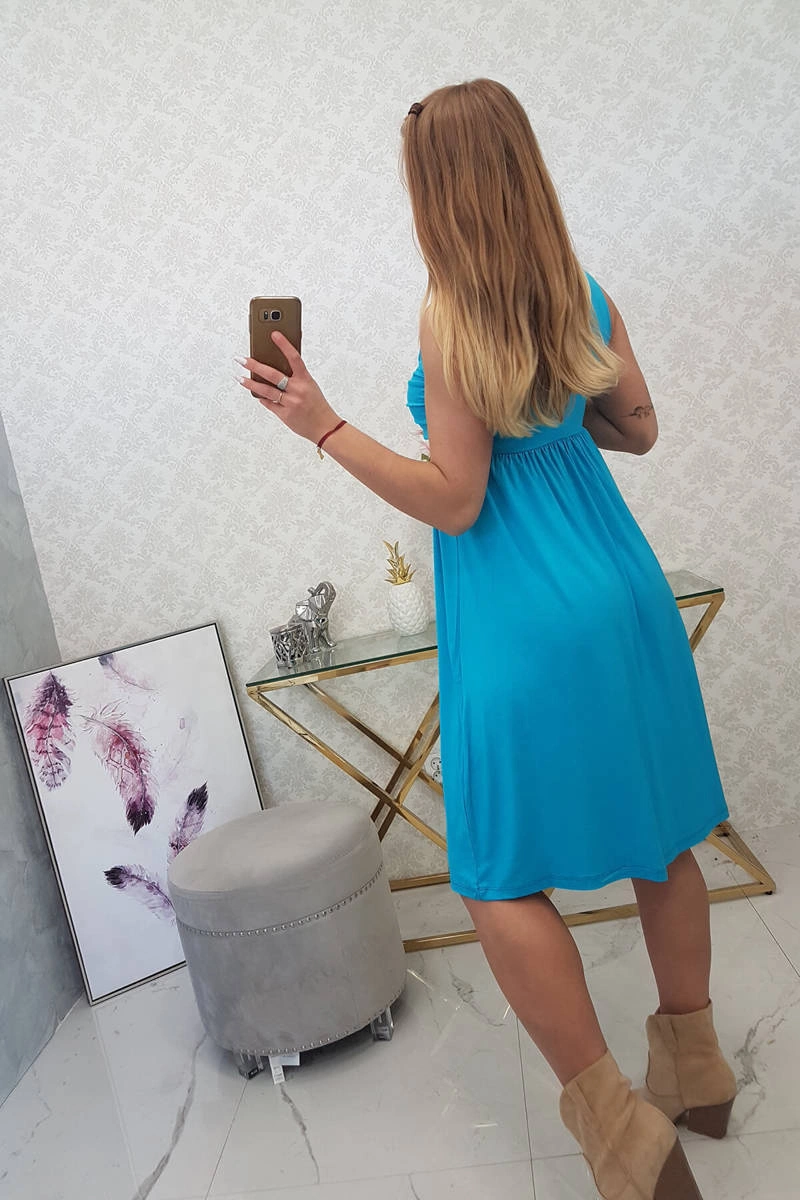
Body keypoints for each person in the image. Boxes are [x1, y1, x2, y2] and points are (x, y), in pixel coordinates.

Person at [235, 78, 738, 1200]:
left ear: (437, 190)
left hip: (522, 618)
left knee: (495, 875)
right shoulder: (581, 291)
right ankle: (698, 1074)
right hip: (621, 592)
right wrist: (556, 397)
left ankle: (622, 1135)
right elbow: (639, 430)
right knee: (661, 839)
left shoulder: (450, 314)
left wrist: (323, 425)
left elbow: (455, 501)